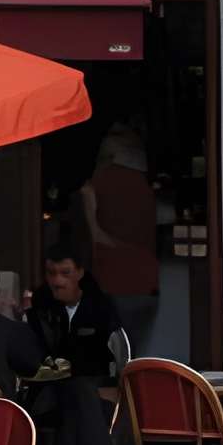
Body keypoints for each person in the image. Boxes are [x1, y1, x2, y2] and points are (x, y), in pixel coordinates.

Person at [25, 242, 136, 445]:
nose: (57, 280)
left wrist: (117, 390)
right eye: (51, 273)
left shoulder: (100, 307)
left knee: (76, 425)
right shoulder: (41, 304)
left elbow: (122, 356)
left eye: (65, 273)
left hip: (93, 396)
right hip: (49, 394)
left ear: (80, 274)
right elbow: (28, 355)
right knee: (78, 398)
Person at [79, 124, 161, 350]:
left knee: (112, 352)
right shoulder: (145, 185)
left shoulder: (98, 182)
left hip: (112, 277)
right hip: (147, 279)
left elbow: (94, 235)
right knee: (139, 349)